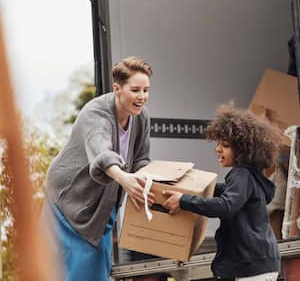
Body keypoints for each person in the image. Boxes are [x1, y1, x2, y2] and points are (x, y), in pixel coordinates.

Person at [42, 56, 155, 281]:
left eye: (146, 90)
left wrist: (144, 182)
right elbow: (102, 155)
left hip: (103, 202)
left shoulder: (141, 119)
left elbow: (142, 159)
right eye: (135, 90)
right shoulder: (96, 113)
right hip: (70, 200)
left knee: (96, 267)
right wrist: (125, 178)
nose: (142, 97)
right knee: (73, 268)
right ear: (117, 88)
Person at [162, 103, 282, 281]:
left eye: (225, 145)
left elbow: (226, 206)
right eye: (218, 143)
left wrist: (184, 201)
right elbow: (225, 193)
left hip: (251, 268)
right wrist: (198, 185)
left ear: (243, 150)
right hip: (259, 264)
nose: (218, 149)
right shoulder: (251, 178)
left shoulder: (241, 174)